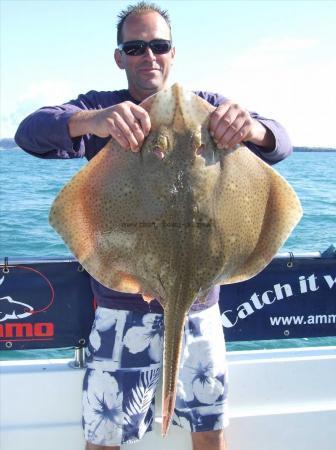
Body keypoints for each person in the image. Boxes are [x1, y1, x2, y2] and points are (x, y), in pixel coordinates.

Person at [15, 2, 292, 449]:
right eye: (136, 46)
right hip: (123, 308)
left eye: (159, 45)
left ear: (172, 52)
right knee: (105, 437)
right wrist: (93, 121)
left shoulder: (212, 110)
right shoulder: (103, 110)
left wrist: (252, 129)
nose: (149, 55)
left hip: (200, 307)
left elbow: (280, 142)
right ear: (119, 56)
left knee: (210, 432)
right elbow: (30, 132)